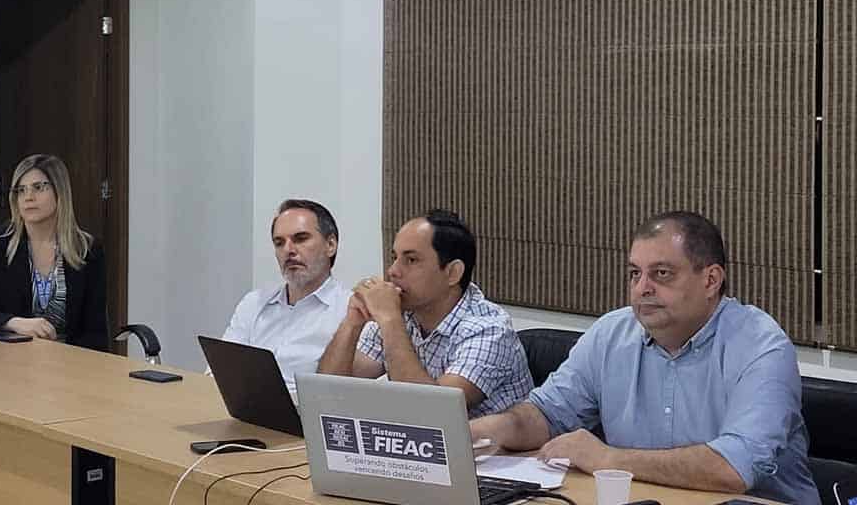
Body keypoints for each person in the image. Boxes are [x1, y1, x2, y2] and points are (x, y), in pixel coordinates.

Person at [468, 211, 817, 504]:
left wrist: (607, 458)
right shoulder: (611, 333)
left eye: (661, 273)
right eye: (635, 273)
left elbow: (733, 468)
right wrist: (484, 430)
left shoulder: (761, 347)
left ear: (711, 280)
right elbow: (547, 414)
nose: (642, 288)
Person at [318, 209, 532, 418]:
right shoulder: (403, 312)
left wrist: (390, 320)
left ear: (452, 273)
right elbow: (328, 394)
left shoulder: (490, 331)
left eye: (411, 260)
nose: (392, 271)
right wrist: (352, 322)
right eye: (394, 257)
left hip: (489, 442)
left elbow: (429, 414)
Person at [0, 154, 108, 351]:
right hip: (8, 358)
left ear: (60, 191)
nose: (28, 197)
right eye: (21, 190)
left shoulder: (86, 250)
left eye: (38, 187)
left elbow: (95, 332)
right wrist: (12, 323)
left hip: (69, 360)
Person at [219, 199, 351, 392]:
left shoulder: (351, 310)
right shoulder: (254, 303)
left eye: (300, 239)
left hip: (305, 409)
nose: (288, 250)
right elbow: (220, 371)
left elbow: (338, 393)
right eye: (279, 243)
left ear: (330, 245)